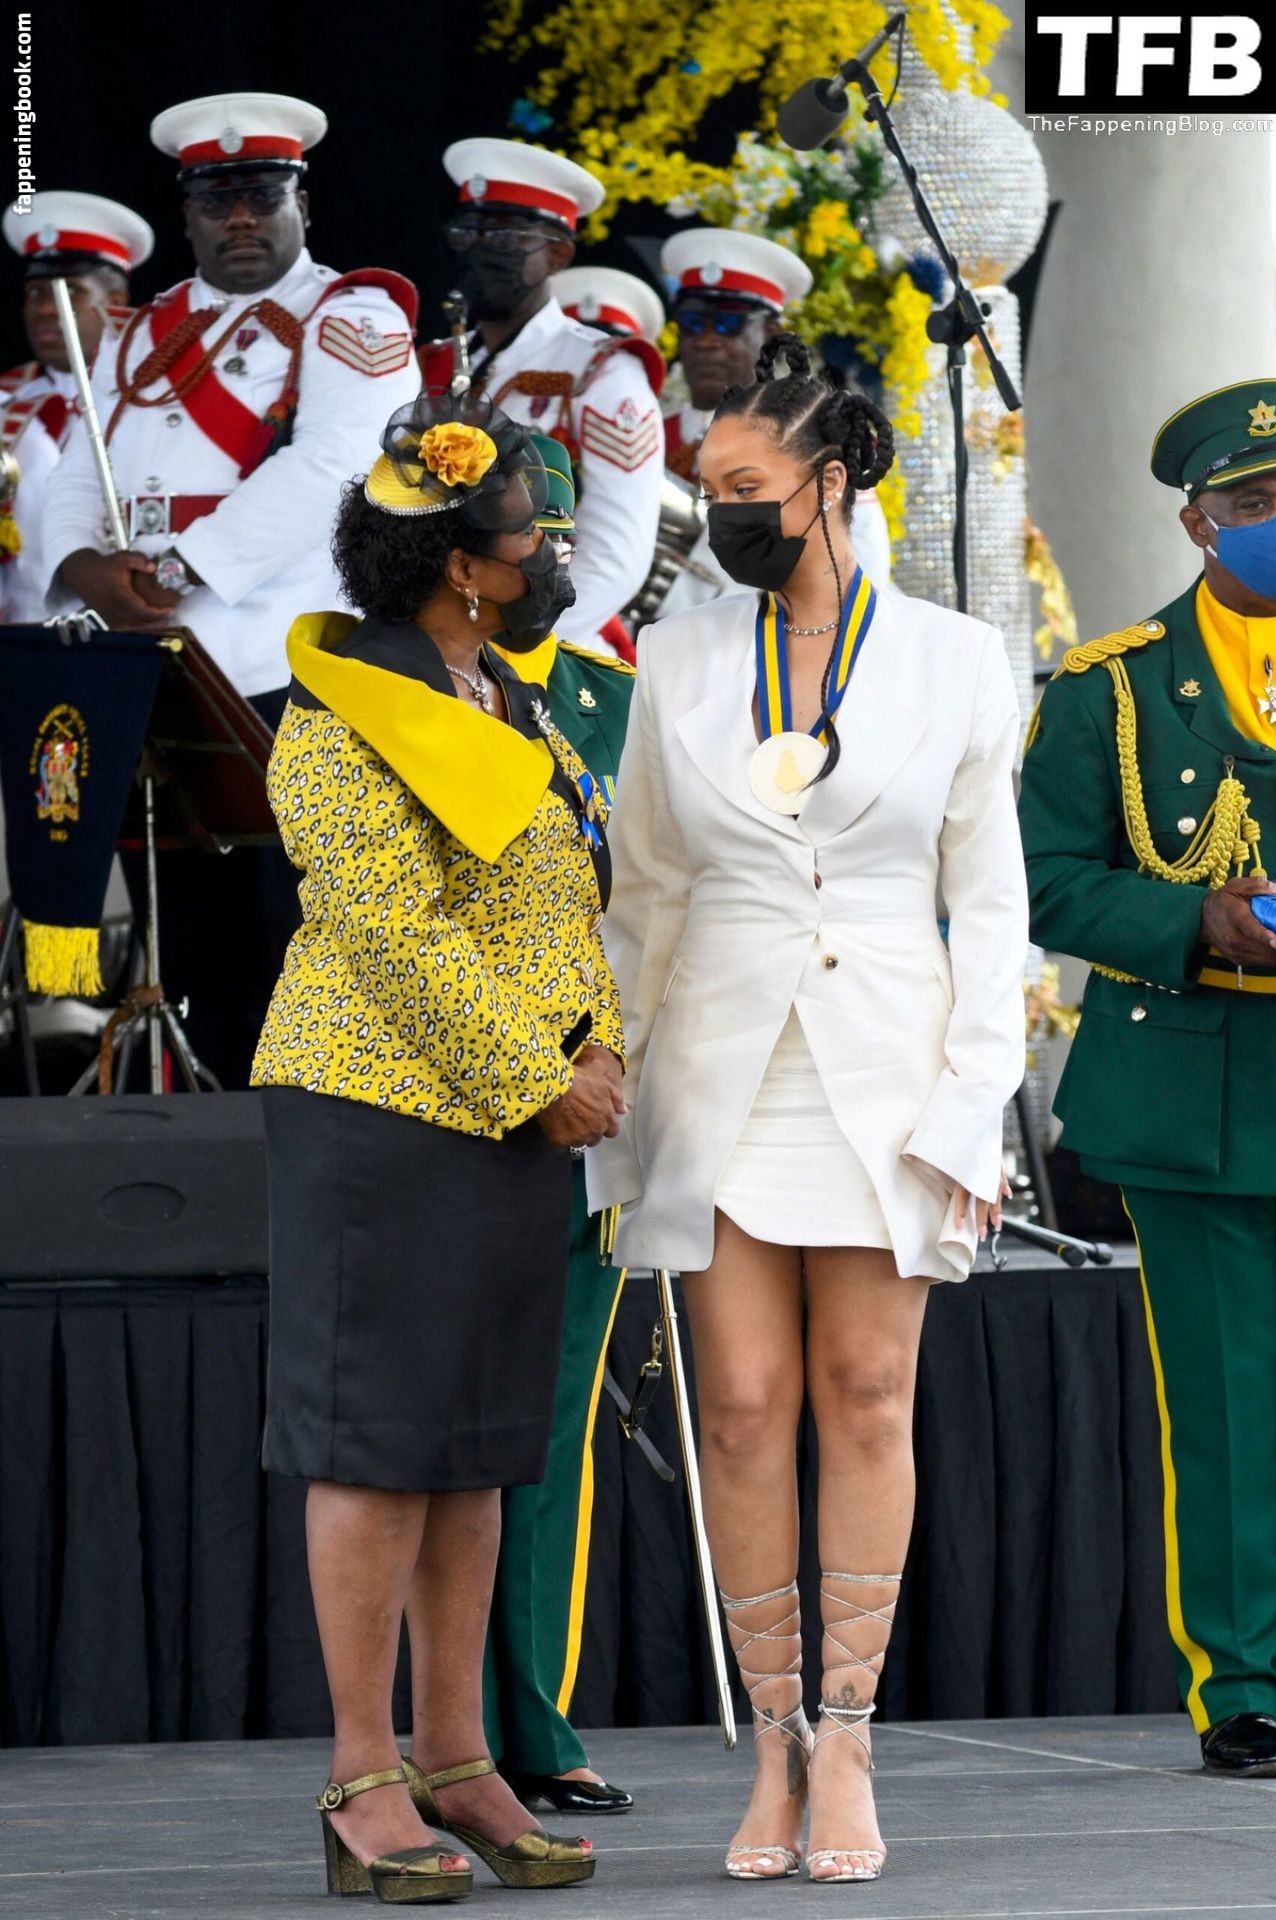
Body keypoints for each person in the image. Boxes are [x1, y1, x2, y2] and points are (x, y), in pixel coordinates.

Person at [588, 336, 1027, 1883]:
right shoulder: (679, 656)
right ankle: (769, 1744)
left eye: (746, 486)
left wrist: (975, 1110)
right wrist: (612, 1091)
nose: (721, 514)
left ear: (831, 481)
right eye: (707, 489)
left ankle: (848, 1736)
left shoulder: (959, 659)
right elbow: (645, 893)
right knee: (742, 1407)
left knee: (867, 1395)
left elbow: (993, 906)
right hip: (719, 1072)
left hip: (891, 1075)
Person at [252, 394, 624, 1900]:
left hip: (512, 1108)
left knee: (472, 1453)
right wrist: (539, 1075)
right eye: (531, 537)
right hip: (380, 1108)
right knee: (377, 1446)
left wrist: (595, 1046)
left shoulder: (502, 697)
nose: (552, 559)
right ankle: (362, 1774)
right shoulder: (340, 710)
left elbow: (565, 891)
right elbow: (386, 931)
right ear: (462, 566)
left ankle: (458, 1758)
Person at [41, 92, 420, 1088]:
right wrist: (81, 567)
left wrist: (176, 571)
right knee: (183, 939)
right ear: (189, 214)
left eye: (262, 195)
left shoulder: (354, 318)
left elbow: (336, 467)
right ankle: (202, 1148)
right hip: (149, 666)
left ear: (303, 204)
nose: (241, 218)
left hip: (285, 668)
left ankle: (302, 1149)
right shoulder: (142, 330)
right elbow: (76, 473)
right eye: (219, 201)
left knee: (291, 937)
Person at [1019, 379, 1276, 1780]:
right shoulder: (1112, 687)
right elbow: (1043, 880)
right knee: (1230, 1406)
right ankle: (1244, 1683)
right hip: (1199, 1087)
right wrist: (1193, 921)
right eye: (1253, 503)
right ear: (1197, 522)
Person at [483, 434, 634, 1816]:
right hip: (442, 1105)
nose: (557, 561)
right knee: (427, 1436)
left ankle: (534, 1718)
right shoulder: (385, 696)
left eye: (568, 534)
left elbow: (663, 910)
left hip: (590, 1111)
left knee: (550, 1426)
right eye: (534, 534)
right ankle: (435, 1732)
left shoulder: (618, 703)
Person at [419, 137, 663, 659]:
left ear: (558, 254)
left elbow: (617, 553)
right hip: (425, 635)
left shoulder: (602, 371)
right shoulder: (431, 363)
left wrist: (505, 645)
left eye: (506, 237)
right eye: (470, 232)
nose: (482, 250)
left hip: (537, 652)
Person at [658, 228, 891, 611]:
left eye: (728, 323)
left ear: (771, 332)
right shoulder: (653, 436)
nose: (706, 340)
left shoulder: (819, 436)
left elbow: (862, 564)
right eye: (692, 322)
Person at [0, 191, 153, 623]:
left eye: (71, 291)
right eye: (35, 292)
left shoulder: (154, 400)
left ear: (116, 301)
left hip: (125, 624)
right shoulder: (6, 401)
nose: (46, 309)